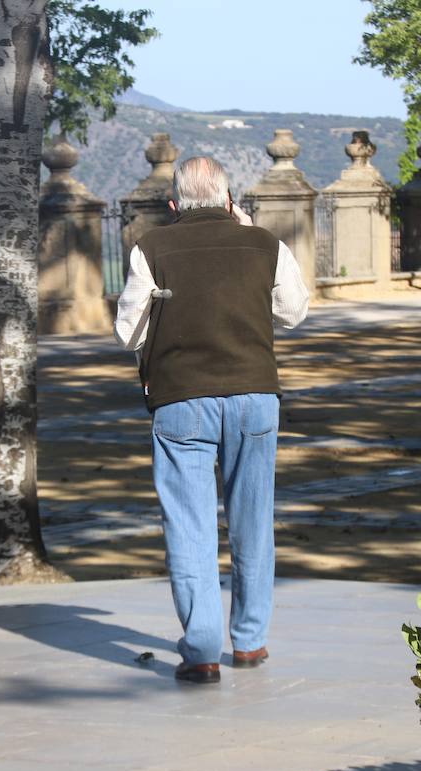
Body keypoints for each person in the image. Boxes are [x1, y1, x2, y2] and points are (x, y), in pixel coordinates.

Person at [114, 156, 310, 685]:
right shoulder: (266, 244)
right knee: (253, 520)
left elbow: (127, 332)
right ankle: (249, 641)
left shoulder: (151, 248)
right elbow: (294, 311)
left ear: (174, 205)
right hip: (254, 394)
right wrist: (247, 233)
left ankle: (201, 649)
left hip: (180, 399)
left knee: (189, 524)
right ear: (230, 200)